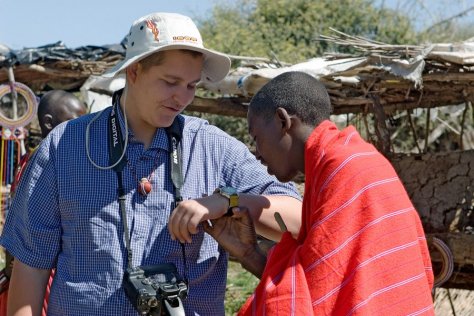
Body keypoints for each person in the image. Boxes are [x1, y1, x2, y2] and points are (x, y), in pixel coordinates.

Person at [0, 12, 302, 316]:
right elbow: (31, 268)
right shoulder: (64, 147)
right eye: (170, 82)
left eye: (191, 85)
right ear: (134, 71)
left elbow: (299, 219)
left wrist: (227, 201)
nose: (181, 97)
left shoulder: (212, 147)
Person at [204, 71, 435, 315]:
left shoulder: (345, 169)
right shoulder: (351, 159)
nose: (257, 153)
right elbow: (324, 281)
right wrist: (249, 253)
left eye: (257, 138)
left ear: (283, 121)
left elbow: (317, 295)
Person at [0, 90, 87, 316]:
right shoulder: (46, 164)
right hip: (41, 269)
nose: (84, 127)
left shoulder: (38, 159)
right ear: (49, 123)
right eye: (74, 120)